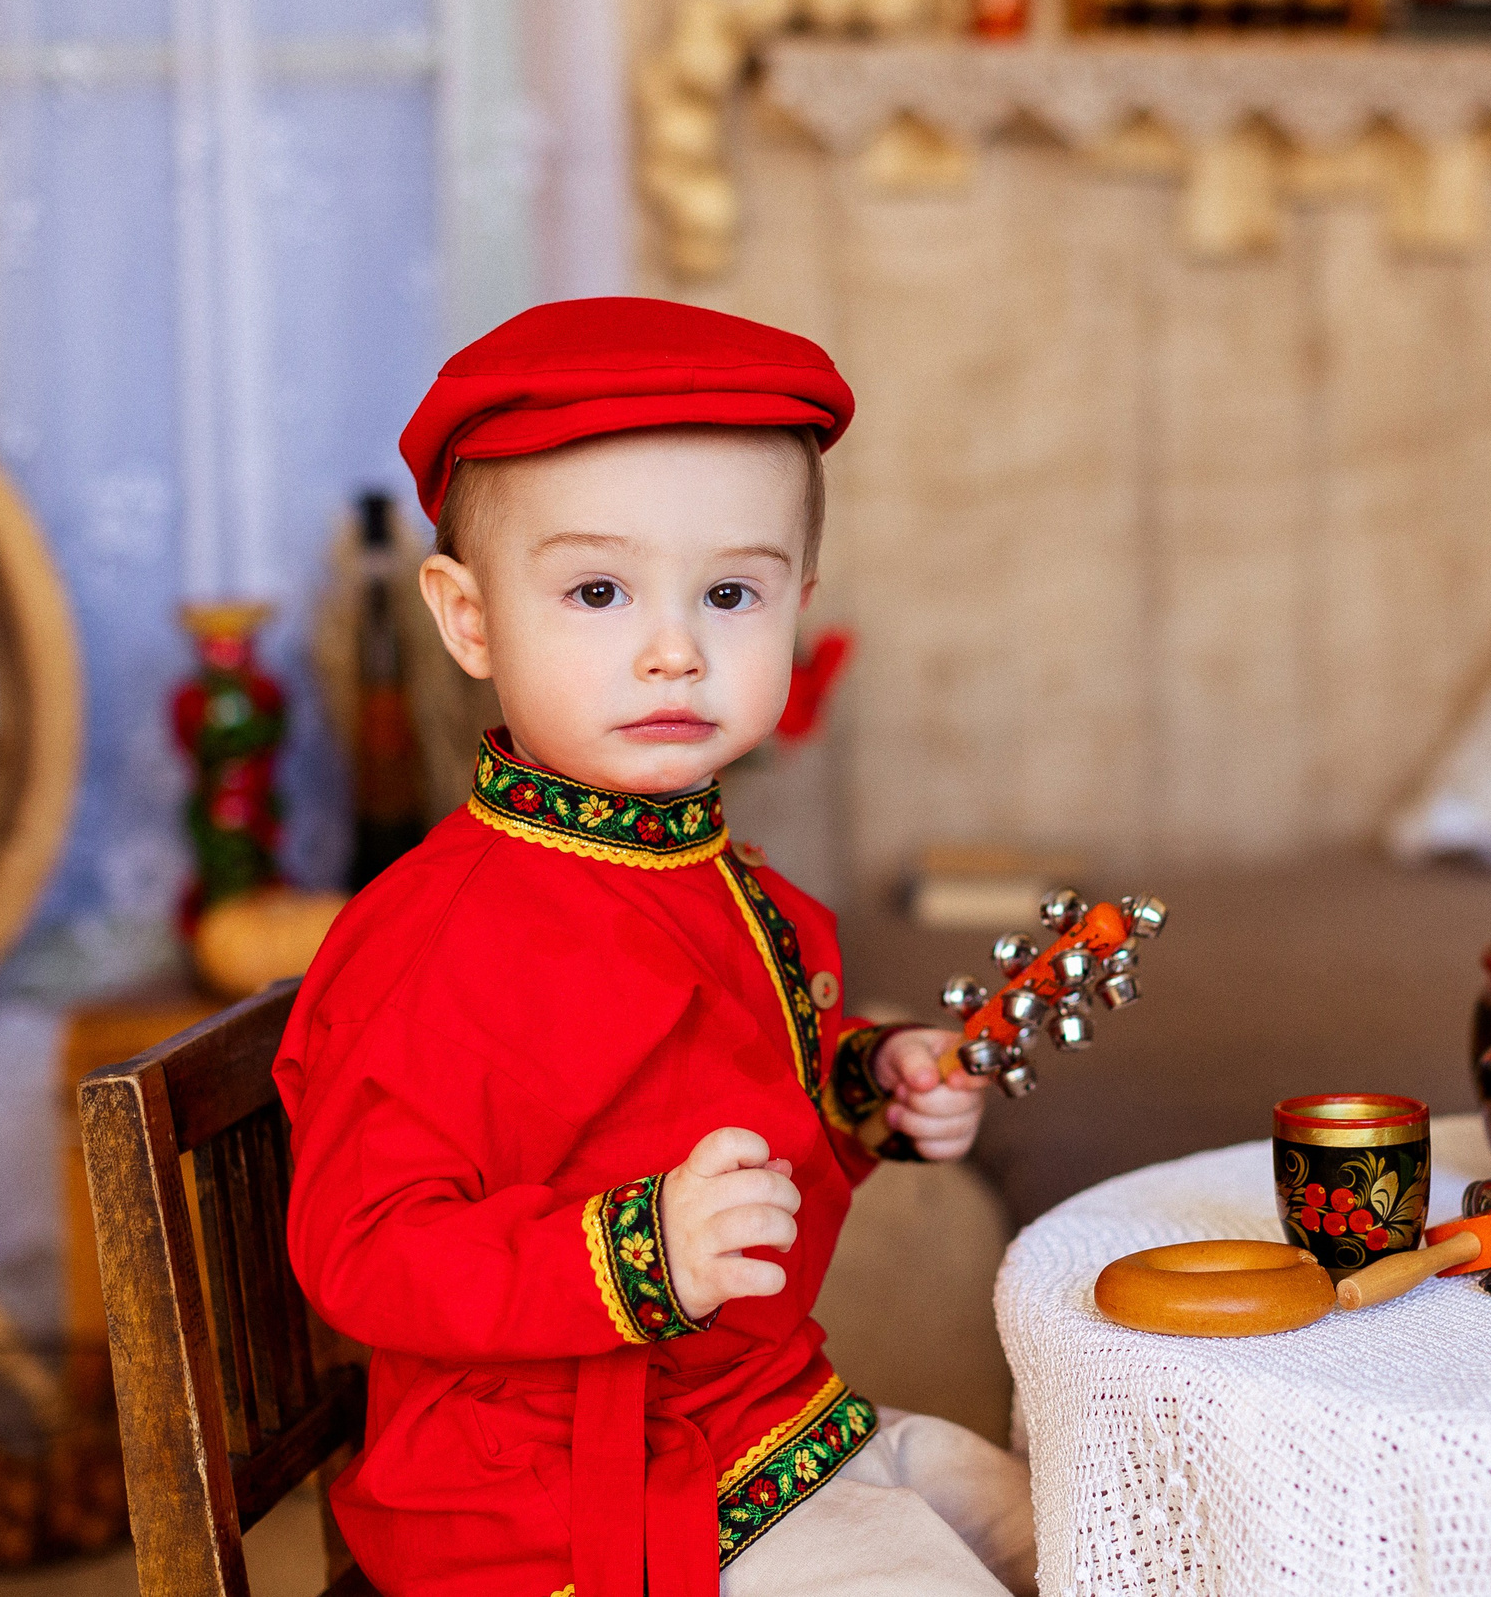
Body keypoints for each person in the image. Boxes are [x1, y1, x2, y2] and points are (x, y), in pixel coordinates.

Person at [274, 299, 1037, 1597]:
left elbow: (732, 1088)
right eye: (597, 591)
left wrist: (872, 1082)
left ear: (797, 606)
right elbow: (367, 1246)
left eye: (730, 592)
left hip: (754, 1419)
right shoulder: (439, 937)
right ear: (469, 621)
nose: (675, 649)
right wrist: (639, 1255)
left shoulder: (719, 880)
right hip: (546, 1489)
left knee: (1082, 1521)